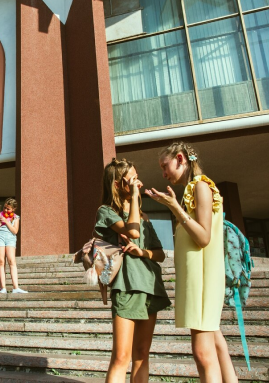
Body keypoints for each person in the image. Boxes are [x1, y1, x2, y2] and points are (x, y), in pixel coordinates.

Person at [145, 142, 237, 383]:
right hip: (199, 281)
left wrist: (175, 207)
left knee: (202, 353)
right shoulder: (193, 190)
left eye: (165, 166)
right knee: (216, 347)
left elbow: (204, 237)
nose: (163, 173)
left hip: (203, 283)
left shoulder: (201, 187)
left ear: (180, 158)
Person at [96, 158, 170, 383]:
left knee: (141, 355)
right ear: (118, 184)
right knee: (121, 357)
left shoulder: (144, 217)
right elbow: (133, 232)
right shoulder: (106, 211)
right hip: (126, 285)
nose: (139, 183)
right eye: (133, 179)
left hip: (150, 285)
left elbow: (160, 254)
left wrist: (142, 253)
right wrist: (136, 199)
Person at [0, 198, 27, 294]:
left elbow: (15, 231)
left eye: (8, 209)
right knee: (1, 261)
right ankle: (3, 288)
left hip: (10, 239)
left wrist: (7, 221)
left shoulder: (16, 218)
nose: (5, 210)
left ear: (13, 209)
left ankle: (16, 287)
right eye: (4, 208)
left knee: (12, 261)